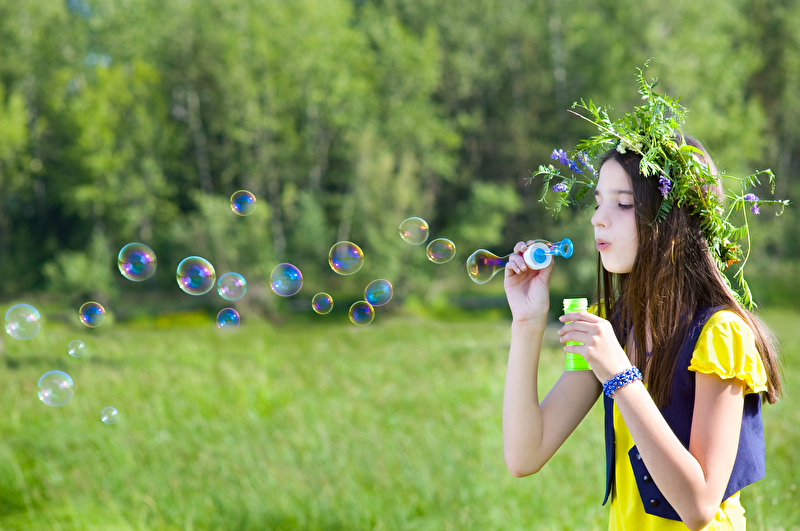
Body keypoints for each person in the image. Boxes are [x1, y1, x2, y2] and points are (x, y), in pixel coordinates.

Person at [501, 67, 785, 531]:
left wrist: (620, 375)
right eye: (598, 201)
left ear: (672, 222)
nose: (597, 219)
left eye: (623, 203)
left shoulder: (721, 334)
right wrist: (527, 323)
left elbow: (698, 507)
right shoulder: (613, 326)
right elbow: (523, 455)